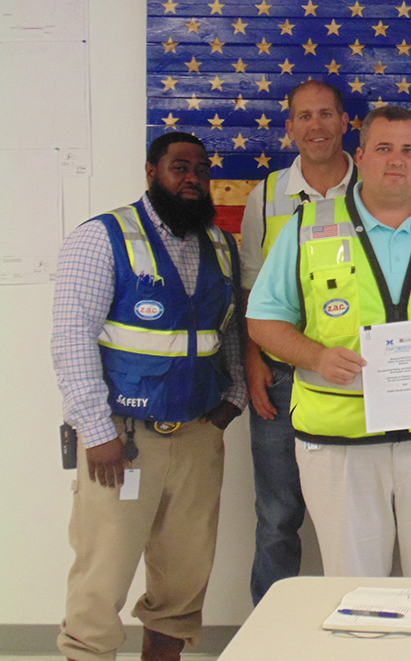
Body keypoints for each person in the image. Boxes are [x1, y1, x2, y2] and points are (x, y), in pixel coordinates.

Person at [246, 105, 411, 578]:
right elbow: (262, 321)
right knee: (354, 589)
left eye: (409, 150)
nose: (396, 160)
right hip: (341, 440)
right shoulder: (305, 226)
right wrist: (317, 356)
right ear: (359, 156)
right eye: (384, 148)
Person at [52, 132, 245, 661]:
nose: (192, 179)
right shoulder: (103, 237)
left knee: (184, 576)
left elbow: (228, 332)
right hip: (121, 440)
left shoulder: (220, 245)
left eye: (202, 170)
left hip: (196, 438)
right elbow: (71, 338)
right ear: (151, 170)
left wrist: (234, 398)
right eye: (180, 167)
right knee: (103, 572)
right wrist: (96, 432)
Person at [239, 80, 355, 604]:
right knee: (278, 515)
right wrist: (252, 361)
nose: (316, 126)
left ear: (345, 121)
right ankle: (268, 632)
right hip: (282, 375)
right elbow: (251, 291)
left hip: (354, 376)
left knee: (358, 516)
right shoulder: (266, 195)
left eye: (326, 114)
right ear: (289, 127)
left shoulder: (376, 187)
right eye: (304, 116)